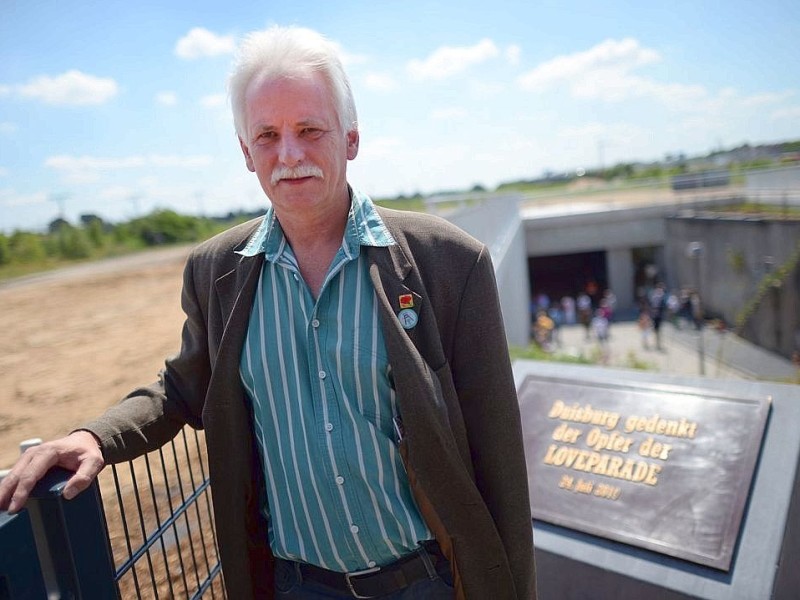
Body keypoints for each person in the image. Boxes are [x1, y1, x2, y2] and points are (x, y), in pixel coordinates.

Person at [0, 26, 536, 600]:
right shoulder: (217, 272)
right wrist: (94, 437)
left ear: (350, 138)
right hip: (297, 587)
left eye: (310, 130)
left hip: (427, 580)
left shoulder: (449, 263)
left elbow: (499, 457)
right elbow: (181, 388)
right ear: (245, 152)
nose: (290, 155)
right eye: (268, 135)